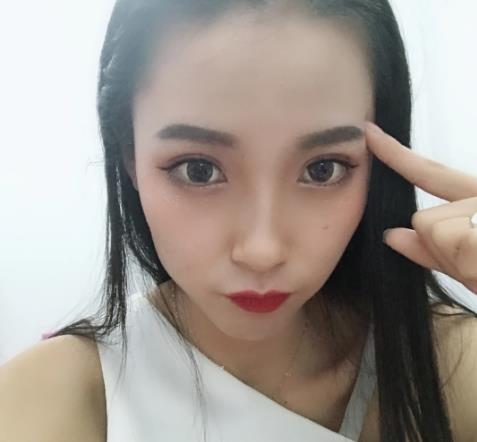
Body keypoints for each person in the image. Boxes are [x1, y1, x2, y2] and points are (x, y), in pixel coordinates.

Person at [1, 1, 477, 441]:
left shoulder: (450, 365)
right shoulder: (53, 397)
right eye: (199, 170)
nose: (262, 250)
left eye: (322, 169)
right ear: (130, 156)